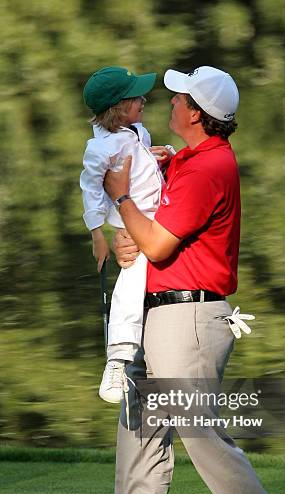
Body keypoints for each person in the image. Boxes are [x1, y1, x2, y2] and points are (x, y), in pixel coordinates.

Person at [74, 66, 285, 494]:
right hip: (157, 313)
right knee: (138, 438)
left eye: (179, 97)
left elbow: (157, 244)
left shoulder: (209, 167)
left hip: (190, 319)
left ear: (197, 113)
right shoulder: (185, 159)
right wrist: (123, 235)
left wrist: (123, 201)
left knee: (203, 438)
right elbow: (145, 232)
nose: (169, 102)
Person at [80, 66, 170, 404]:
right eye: (136, 98)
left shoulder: (138, 133)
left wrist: (158, 156)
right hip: (133, 229)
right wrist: (97, 234)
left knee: (143, 293)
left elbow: (142, 166)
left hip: (155, 221)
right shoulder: (100, 149)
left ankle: (138, 359)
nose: (144, 100)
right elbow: (90, 189)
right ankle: (117, 360)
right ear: (118, 109)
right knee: (128, 292)